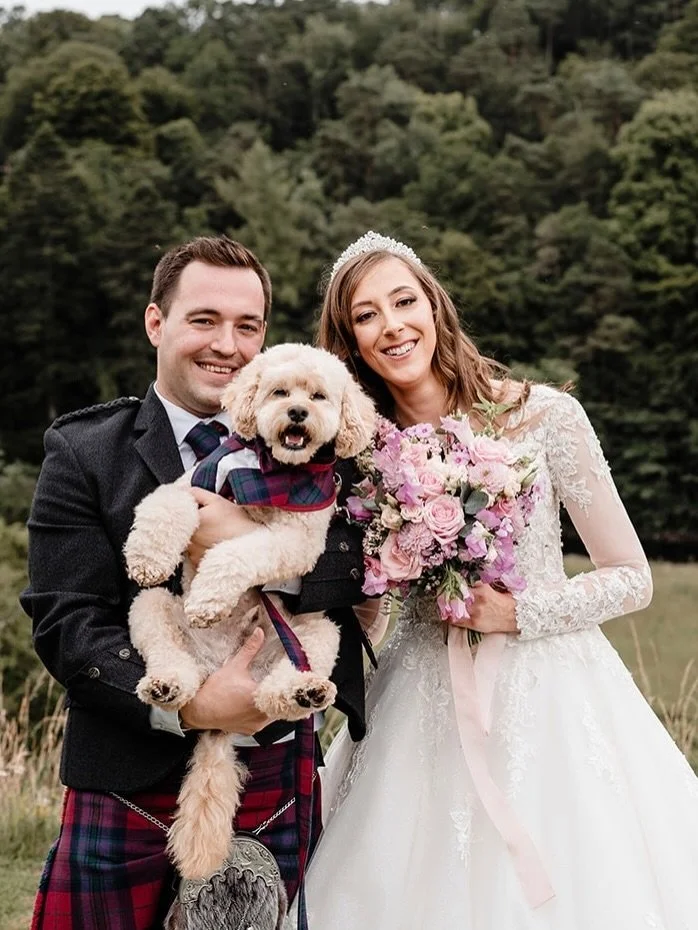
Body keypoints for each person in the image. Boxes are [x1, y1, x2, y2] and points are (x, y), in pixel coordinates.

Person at [301, 231, 698, 929]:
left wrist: (519, 613)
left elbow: (633, 577)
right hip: (416, 700)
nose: (392, 325)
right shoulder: (357, 456)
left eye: (404, 301)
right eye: (366, 315)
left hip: (553, 695)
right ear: (350, 342)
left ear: (434, 306)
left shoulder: (544, 416)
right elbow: (367, 605)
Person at [21, 236, 375, 930]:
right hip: (125, 769)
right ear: (157, 323)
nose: (227, 345)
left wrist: (243, 542)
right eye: (204, 320)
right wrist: (191, 709)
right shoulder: (86, 449)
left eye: (248, 326)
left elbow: (361, 574)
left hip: (273, 771)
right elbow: (67, 620)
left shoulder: (327, 451)